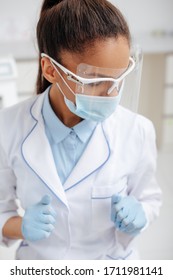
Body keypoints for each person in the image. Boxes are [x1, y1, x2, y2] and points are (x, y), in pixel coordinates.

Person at [0, 0, 161, 260]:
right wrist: (21, 226)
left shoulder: (137, 130)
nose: (111, 93)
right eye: (95, 81)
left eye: (118, 78)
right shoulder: (7, 127)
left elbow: (150, 199)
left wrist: (140, 213)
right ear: (51, 70)